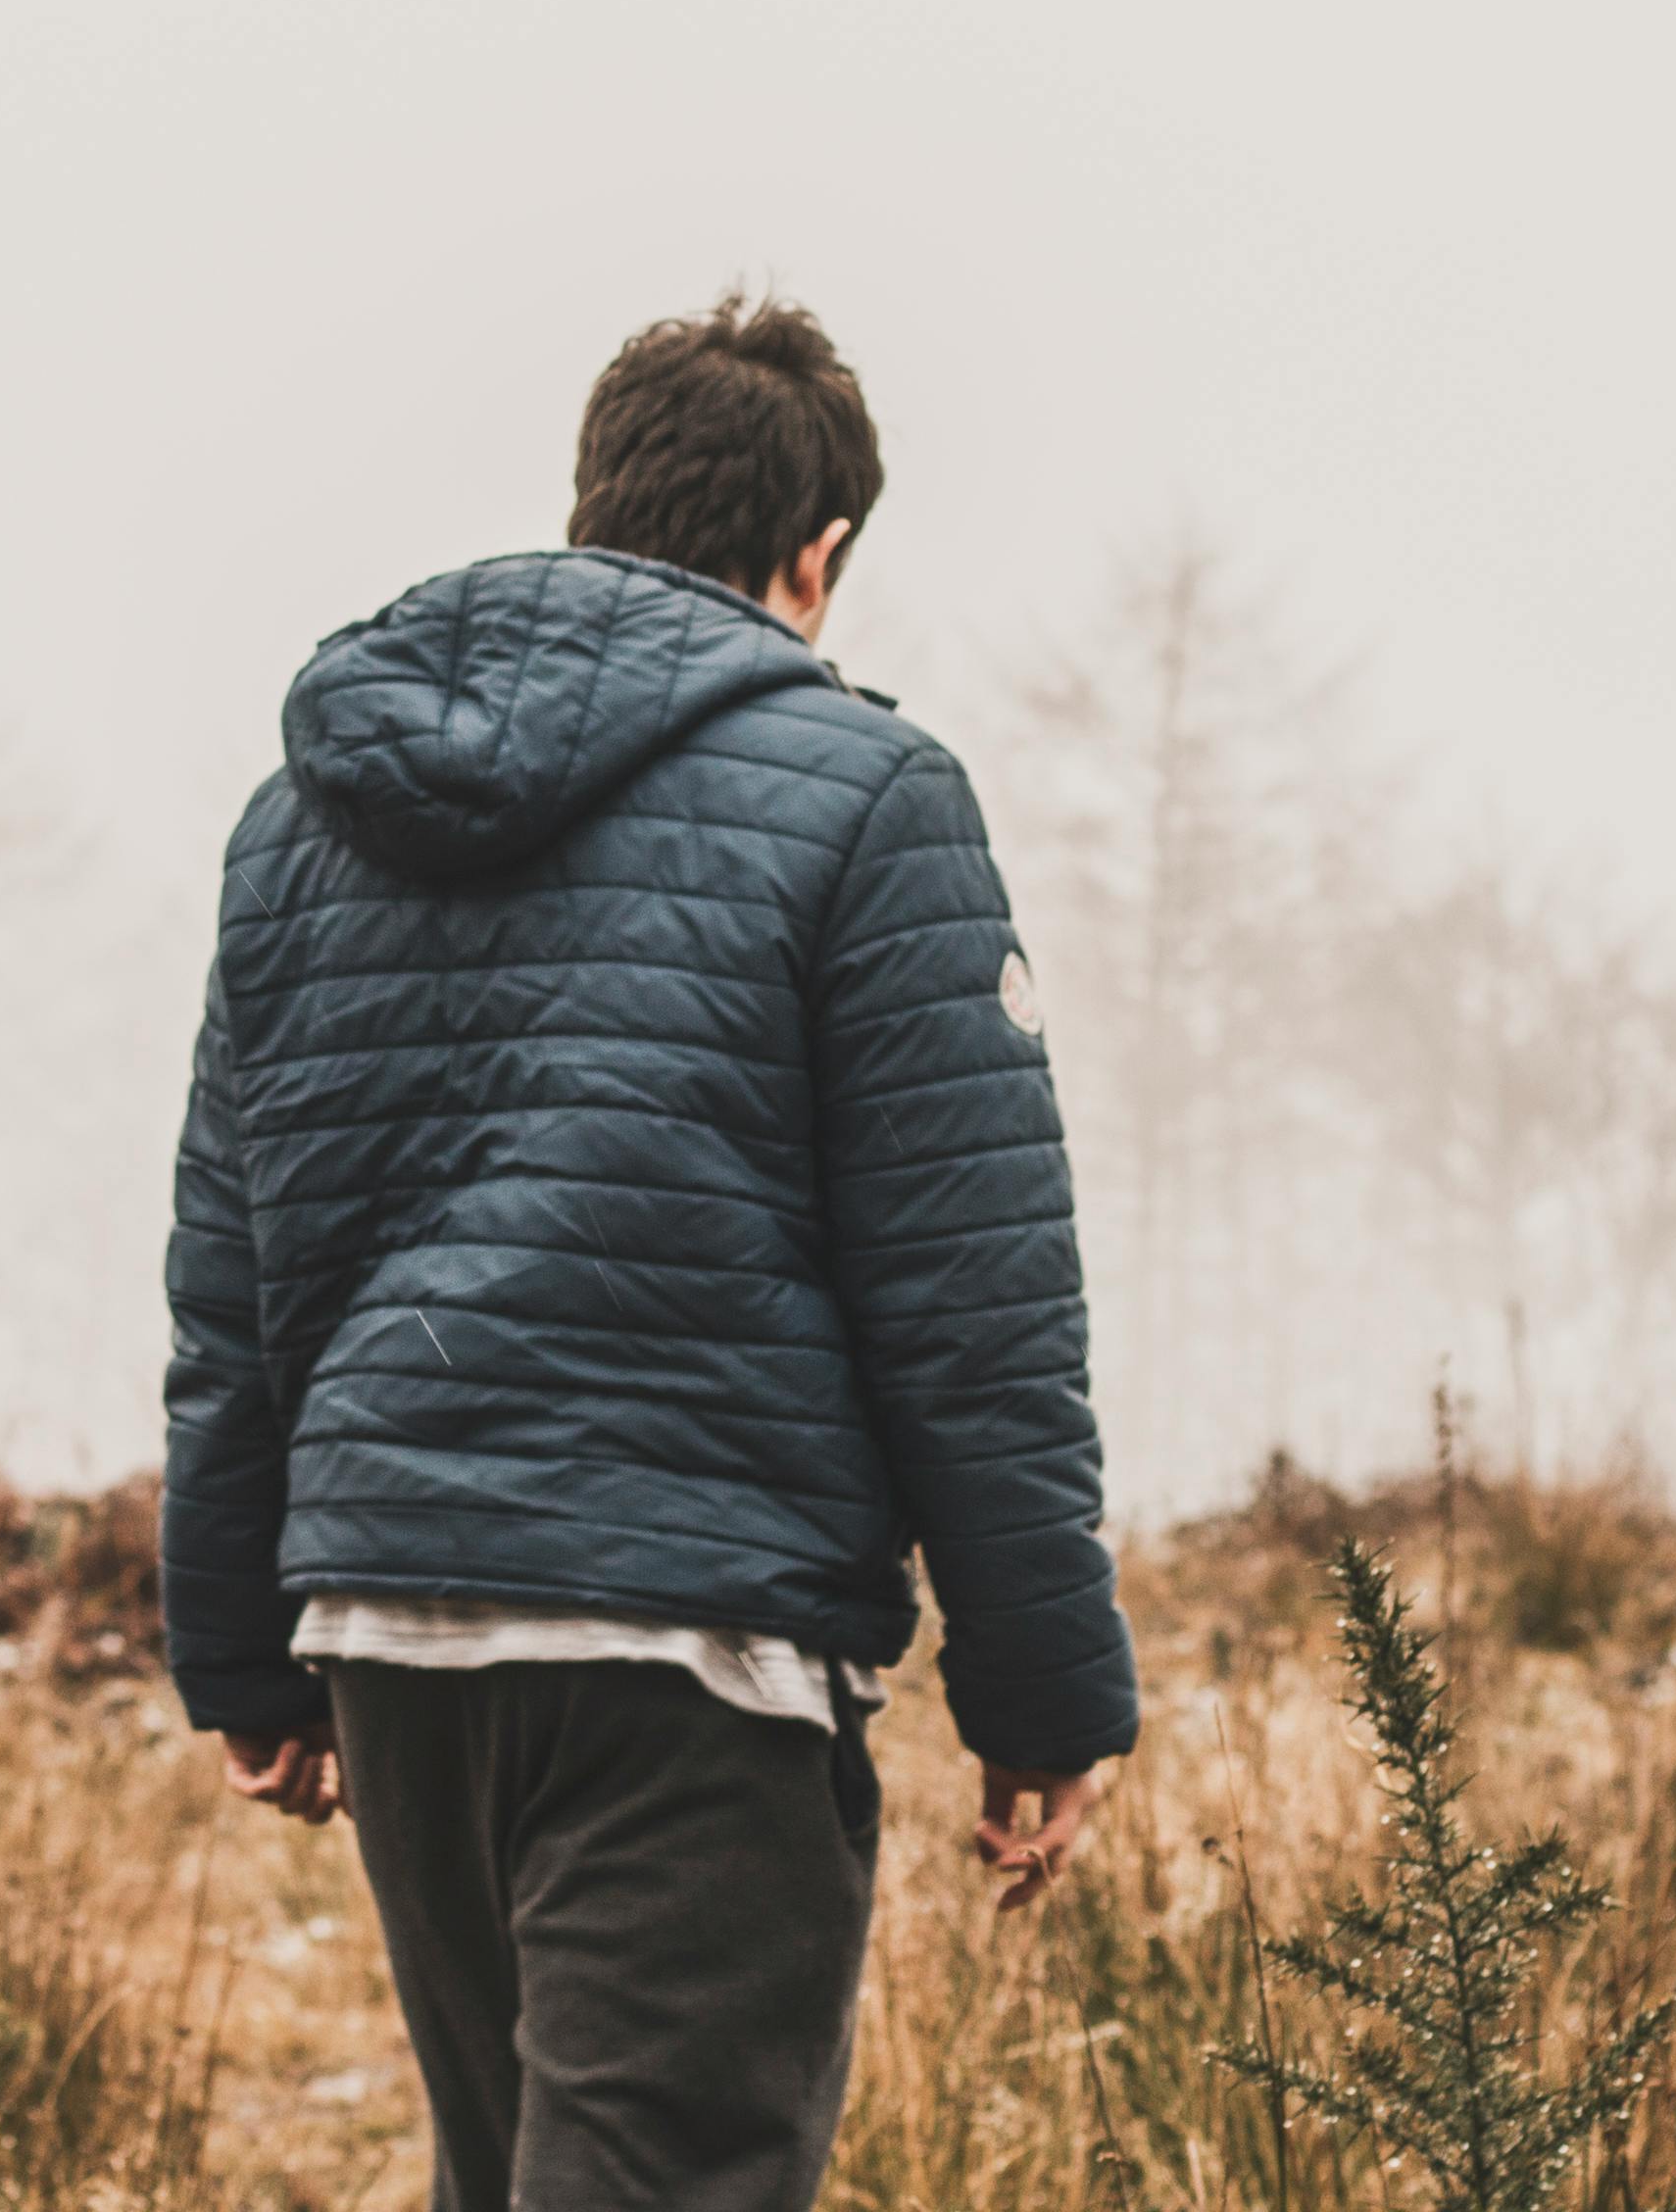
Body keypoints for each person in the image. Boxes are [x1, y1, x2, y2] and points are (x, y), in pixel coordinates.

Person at [163, 291, 1141, 2212]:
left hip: (395, 1626)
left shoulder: (306, 822)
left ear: (602, 503)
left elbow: (234, 1289)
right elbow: (975, 1305)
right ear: (821, 554)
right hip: (691, 1647)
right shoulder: (871, 801)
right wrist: (1043, 1697)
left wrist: (240, 1657)